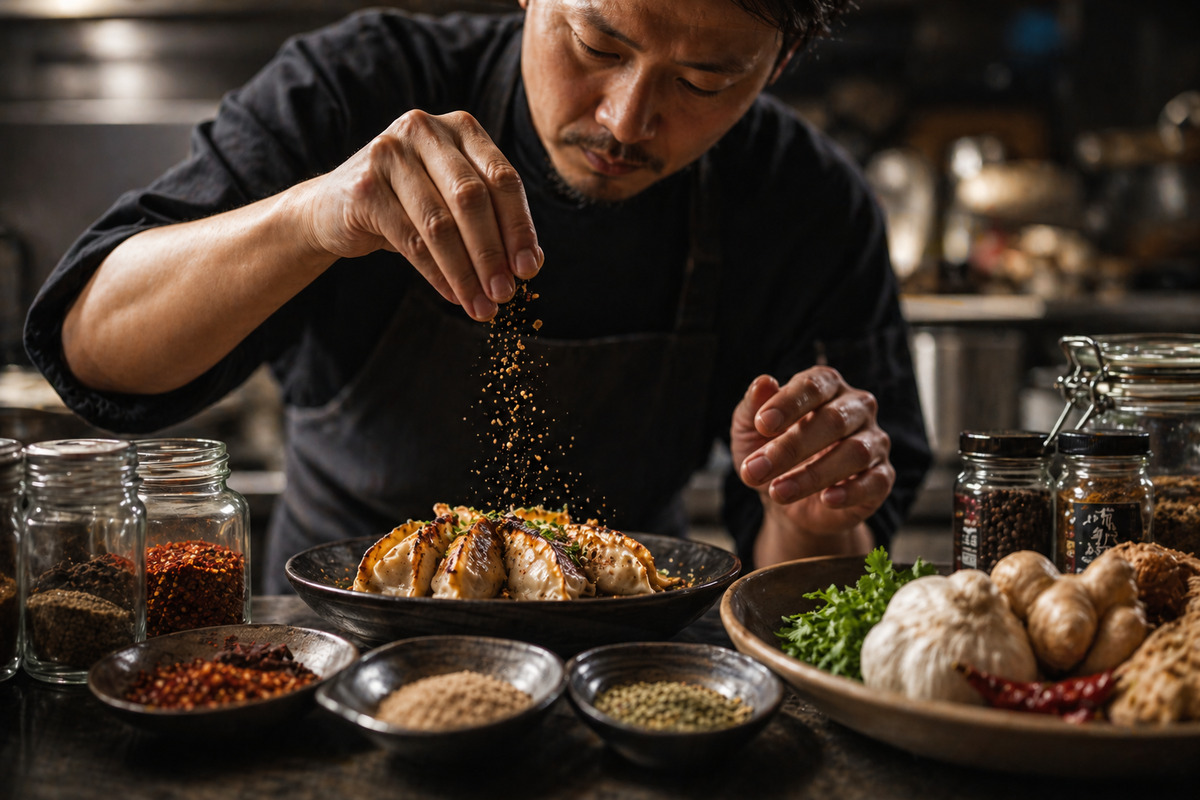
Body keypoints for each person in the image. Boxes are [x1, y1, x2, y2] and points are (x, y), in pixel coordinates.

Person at [25, 0, 931, 592]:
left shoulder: (804, 203)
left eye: (705, 81)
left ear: (778, 64)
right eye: (597, 43)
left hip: (621, 669)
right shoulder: (356, 87)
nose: (625, 119)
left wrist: (809, 510)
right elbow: (87, 347)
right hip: (335, 658)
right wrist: (315, 216)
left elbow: (814, 593)